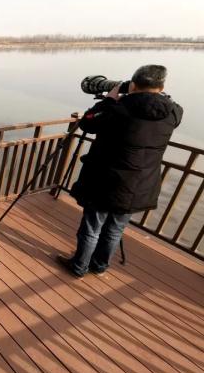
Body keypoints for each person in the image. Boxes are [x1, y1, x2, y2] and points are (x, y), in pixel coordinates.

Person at [58, 65, 183, 278]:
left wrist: (109, 99)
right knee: (115, 229)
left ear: (133, 84)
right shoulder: (173, 111)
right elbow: (165, 105)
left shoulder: (118, 109)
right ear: (162, 86)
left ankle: (79, 267)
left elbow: (87, 123)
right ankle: (99, 266)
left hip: (106, 182)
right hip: (140, 185)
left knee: (92, 228)